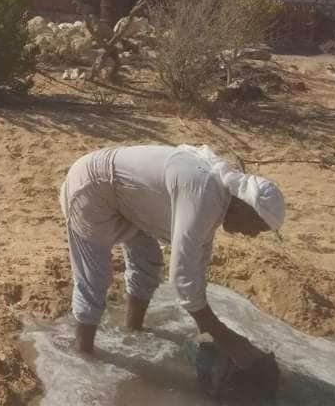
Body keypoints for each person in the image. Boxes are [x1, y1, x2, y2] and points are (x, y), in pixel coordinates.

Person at [59, 144, 285, 368]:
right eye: (256, 226)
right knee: (94, 278)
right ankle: (83, 359)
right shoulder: (205, 192)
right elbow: (182, 273)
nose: (252, 234)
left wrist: (208, 330)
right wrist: (222, 334)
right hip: (91, 187)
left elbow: (197, 260)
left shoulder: (218, 198)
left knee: (147, 263)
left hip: (128, 200)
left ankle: (133, 332)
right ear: (245, 206)